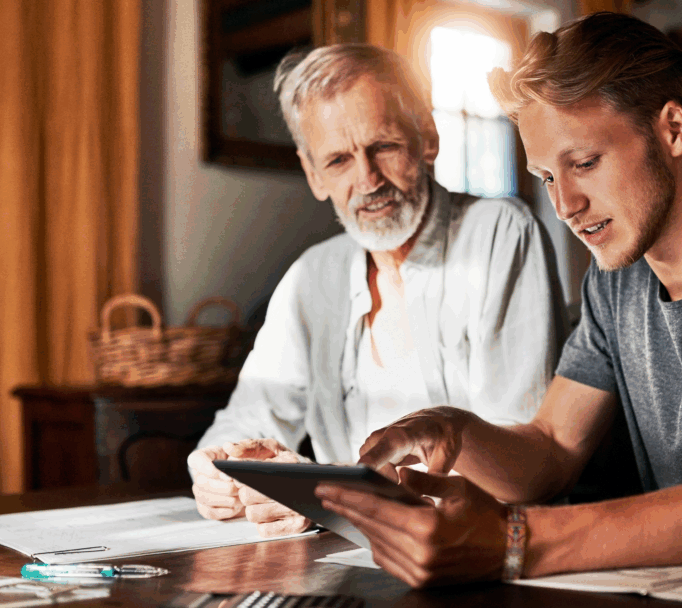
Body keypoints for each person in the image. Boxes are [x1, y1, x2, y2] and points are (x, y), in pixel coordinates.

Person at [315, 12, 682, 587]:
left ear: (673, 129)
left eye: (584, 163)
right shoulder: (614, 282)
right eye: (548, 177)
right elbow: (550, 449)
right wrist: (453, 429)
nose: (565, 205)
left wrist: (515, 540)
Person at [188, 44, 567, 538]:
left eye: (384, 146)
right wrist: (217, 471)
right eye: (339, 159)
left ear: (427, 138)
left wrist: (329, 494)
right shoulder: (311, 277)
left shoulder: (500, 233)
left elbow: (518, 470)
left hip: (485, 553)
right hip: (353, 559)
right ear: (313, 174)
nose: (367, 179)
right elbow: (246, 420)